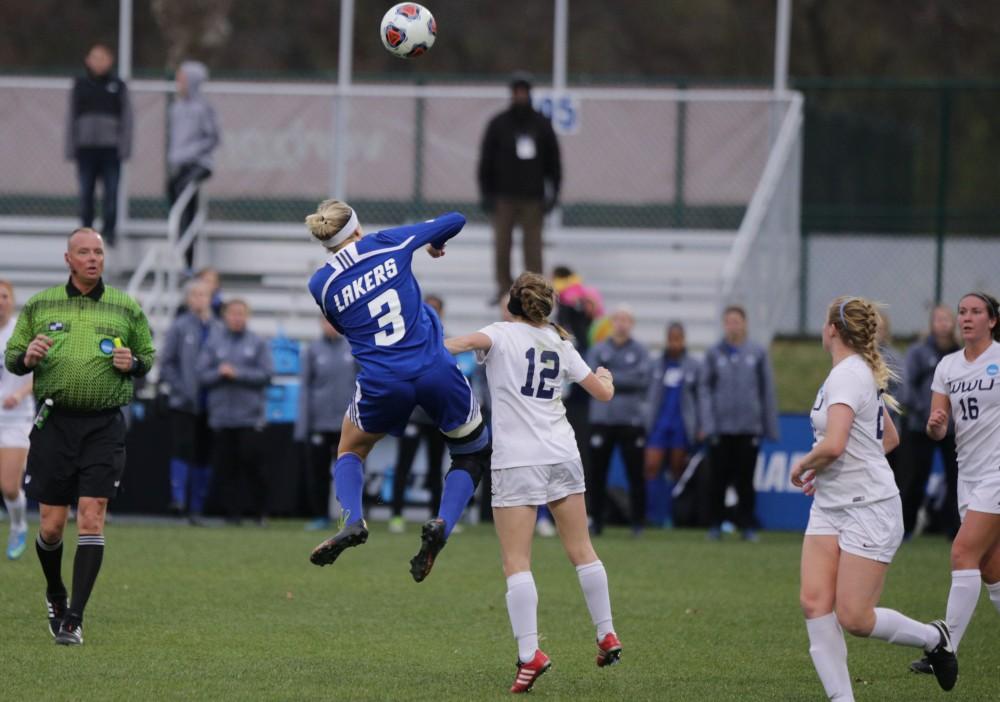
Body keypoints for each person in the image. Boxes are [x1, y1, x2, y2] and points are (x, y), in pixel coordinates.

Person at [444, 272, 622, 694]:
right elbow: (603, 394)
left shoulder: (501, 334)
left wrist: (412, 348)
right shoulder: (562, 342)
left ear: (513, 304)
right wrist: (608, 378)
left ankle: (530, 654)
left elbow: (458, 345)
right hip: (562, 452)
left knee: (516, 562)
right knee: (582, 550)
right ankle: (607, 632)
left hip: (518, 459)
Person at [304, 200, 492, 585]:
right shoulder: (387, 241)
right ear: (357, 227)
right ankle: (442, 522)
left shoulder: (319, 284)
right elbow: (455, 219)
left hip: (382, 379)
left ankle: (354, 519)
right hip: (434, 368)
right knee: (471, 451)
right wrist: (431, 243)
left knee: (351, 450)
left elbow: (344, 326)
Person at [791, 296, 957, 700]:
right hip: (831, 507)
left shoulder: (848, 375)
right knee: (814, 604)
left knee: (855, 617)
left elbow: (834, 443)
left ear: (832, 329)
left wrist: (804, 465)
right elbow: (891, 437)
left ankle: (934, 638)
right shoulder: (850, 372)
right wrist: (825, 469)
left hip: (870, 508)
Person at [3, 227, 155, 646]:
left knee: (92, 514)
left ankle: (73, 618)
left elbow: (148, 356)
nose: (93, 258)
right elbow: (13, 357)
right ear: (68, 259)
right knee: (52, 527)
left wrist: (134, 362)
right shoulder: (40, 304)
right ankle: (55, 592)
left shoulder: (125, 306)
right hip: (54, 424)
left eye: (99, 252)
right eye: (84, 252)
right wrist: (26, 356)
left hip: (104, 425)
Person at [910, 292, 1000, 679]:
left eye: (975, 312)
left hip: (997, 474)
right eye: (962, 312)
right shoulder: (947, 366)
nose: (966, 318)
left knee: (962, 552)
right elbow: (940, 423)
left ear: (992, 320)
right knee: (991, 571)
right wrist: (936, 425)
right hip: (969, 475)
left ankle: (944, 648)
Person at [478, 73, 561, 304]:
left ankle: (534, 290)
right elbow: (486, 160)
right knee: (502, 245)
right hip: (503, 197)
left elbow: (553, 162)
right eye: (517, 92)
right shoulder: (498, 124)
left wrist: (554, 192)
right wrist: (486, 192)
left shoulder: (542, 125)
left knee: (533, 248)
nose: (520, 96)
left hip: (533, 197)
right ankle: (504, 289)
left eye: (524, 92)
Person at [699, 305, 779, 541]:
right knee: (718, 480)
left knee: (746, 480)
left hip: (748, 427)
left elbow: (767, 391)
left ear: (744, 324)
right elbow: (704, 388)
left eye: (737, 321)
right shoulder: (714, 353)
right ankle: (715, 523)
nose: (733, 325)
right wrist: (707, 423)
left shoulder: (757, 352)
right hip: (721, 428)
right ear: (724, 325)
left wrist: (768, 426)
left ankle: (746, 525)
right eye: (729, 321)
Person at [196, 299, 272, 525]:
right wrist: (220, 373)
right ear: (226, 316)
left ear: (246, 316)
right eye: (233, 314)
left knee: (252, 465)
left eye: (241, 314)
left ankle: (260, 513)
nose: (237, 318)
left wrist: (237, 373)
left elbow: (266, 375)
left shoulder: (257, 342)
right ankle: (232, 515)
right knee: (226, 468)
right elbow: (201, 375)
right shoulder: (214, 342)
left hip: (249, 417)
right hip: (221, 417)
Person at [159, 279, 220, 524]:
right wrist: (182, 390)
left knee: (204, 454)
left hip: (212, 403)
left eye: (203, 294)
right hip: (184, 402)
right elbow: (167, 364)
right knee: (182, 449)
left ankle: (197, 507)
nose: (199, 299)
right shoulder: (179, 327)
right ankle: (178, 500)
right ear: (187, 299)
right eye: (194, 294)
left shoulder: (218, 327)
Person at [586, 306, 651, 536]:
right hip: (603, 419)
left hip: (631, 419)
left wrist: (609, 378)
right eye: (618, 319)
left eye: (626, 320)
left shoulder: (641, 351)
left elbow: (642, 380)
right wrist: (622, 378)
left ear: (631, 324)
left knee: (635, 472)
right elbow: (590, 378)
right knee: (597, 473)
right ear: (611, 322)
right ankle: (596, 520)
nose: (622, 323)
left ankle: (638, 522)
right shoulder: (599, 349)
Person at [388, 294, 447, 534]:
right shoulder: (407, 340)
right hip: (412, 416)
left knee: (436, 468)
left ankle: (437, 516)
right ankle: (396, 515)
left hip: (436, 416)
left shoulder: (445, 341)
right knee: (403, 466)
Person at [900, 305, 961, 538]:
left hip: (954, 429)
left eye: (947, 319)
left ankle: (954, 528)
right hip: (919, 426)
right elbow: (907, 389)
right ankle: (905, 527)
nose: (943, 324)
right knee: (914, 477)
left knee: (956, 479)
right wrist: (928, 413)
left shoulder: (961, 355)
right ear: (931, 323)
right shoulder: (918, 353)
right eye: (939, 319)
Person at [64, 43, 133, 247]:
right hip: (86, 150)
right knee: (86, 194)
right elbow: (71, 117)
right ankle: (86, 233)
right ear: (87, 60)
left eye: (103, 58)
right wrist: (71, 146)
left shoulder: (117, 86)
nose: (98, 62)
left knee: (111, 193)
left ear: (110, 61)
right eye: (95, 57)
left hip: (110, 150)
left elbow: (128, 119)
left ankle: (110, 232)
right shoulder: (80, 85)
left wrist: (124, 147)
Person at [294, 316, 356, 531]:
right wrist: (304, 426)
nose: (330, 326)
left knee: (348, 474)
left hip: (348, 424)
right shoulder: (312, 350)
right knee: (319, 473)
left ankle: (351, 517)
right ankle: (320, 515)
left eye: (334, 322)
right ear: (321, 323)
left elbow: (364, 384)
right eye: (326, 322)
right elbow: (305, 389)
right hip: (319, 423)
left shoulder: (354, 347)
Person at [167, 61, 220, 270]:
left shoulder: (204, 108)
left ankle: (188, 260)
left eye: (181, 78)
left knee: (187, 202)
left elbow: (213, 137)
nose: (178, 83)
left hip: (199, 164)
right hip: (181, 164)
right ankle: (181, 243)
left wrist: (192, 152)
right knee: (174, 193)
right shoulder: (177, 107)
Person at [644, 322, 701, 517]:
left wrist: (699, 425)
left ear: (684, 340)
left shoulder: (693, 365)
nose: (675, 343)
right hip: (659, 424)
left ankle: (673, 514)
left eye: (678, 339)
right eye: (671, 339)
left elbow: (700, 397)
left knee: (677, 470)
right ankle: (651, 514)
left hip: (681, 425)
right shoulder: (657, 364)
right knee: (651, 467)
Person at [0, 280, 33, 559]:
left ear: (12, 300)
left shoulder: (21, 332)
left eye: (4, 296)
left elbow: (39, 373)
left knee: (9, 486)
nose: (0, 301)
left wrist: (20, 394)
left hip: (16, 417)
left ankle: (18, 523)